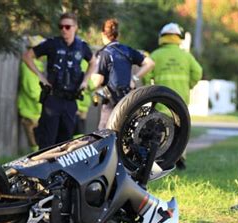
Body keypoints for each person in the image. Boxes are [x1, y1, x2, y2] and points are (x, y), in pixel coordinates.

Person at [22, 12, 96, 149]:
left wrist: (85, 81)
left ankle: (61, 170)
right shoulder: (52, 44)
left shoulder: (82, 47)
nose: (64, 30)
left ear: (75, 27)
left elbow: (93, 62)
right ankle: (44, 169)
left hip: (70, 102)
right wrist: (41, 76)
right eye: (61, 26)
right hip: (52, 100)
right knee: (47, 142)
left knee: (66, 143)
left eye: (67, 26)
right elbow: (27, 56)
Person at [144, 22, 203, 170]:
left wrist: (151, 89)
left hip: (161, 100)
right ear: (178, 37)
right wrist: (189, 84)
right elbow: (198, 72)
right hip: (181, 99)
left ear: (162, 37)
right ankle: (180, 159)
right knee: (181, 129)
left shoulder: (156, 55)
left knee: (161, 129)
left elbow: (146, 74)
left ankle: (160, 158)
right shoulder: (186, 56)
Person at [92, 18, 154, 130]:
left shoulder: (103, 53)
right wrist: (134, 78)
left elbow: (98, 81)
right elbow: (149, 63)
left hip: (110, 102)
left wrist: (91, 79)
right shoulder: (127, 50)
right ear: (118, 34)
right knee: (126, 134)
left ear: (102, 34)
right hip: (127, 101)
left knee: (104, 134)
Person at [17, 35, 44, 152]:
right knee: (35, 146)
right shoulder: (28, 66)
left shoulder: (38, 66)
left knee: (39, 144)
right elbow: (32, 90)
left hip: (36, 111)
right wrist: (44, 103)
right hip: (31, 112)